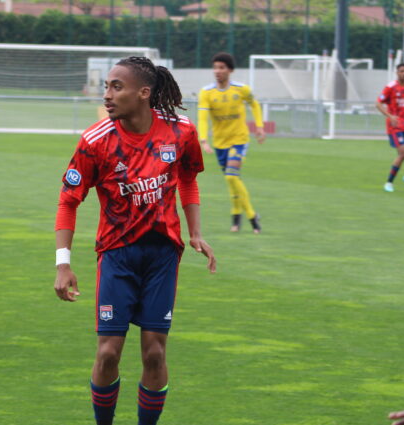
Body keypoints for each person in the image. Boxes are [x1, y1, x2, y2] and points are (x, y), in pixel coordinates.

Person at [53, 56, 216, 425]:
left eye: (116, 87)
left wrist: (195, 232)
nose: (107, 95)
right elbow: (68, 202)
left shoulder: (181, 132)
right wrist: (63, 263)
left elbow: (188, 179)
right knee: (109, 352)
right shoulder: (95, 141)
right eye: (106, 87)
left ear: (144, 93)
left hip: (162, 256)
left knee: (155, 354)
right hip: (117, 255)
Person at [198, 52, 265, 233]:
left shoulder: (241, 89)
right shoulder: (207, 93)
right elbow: (203, 118)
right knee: (232, 181)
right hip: (220, 144)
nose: (217, 71)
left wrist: (259, 126)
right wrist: (203, 140)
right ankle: (236, 218)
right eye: (215, 67)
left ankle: (252, 216)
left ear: (230, 70)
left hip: (239, 140)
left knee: (231, 176)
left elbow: (255, 104)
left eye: (221, 67)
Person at [376, 63, 404, 192]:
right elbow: (378, 103)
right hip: (394, 127)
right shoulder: (390, 87)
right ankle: (389, 183)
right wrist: (390, 116)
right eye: (401, 71)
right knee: (403, 153)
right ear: (397, 73)